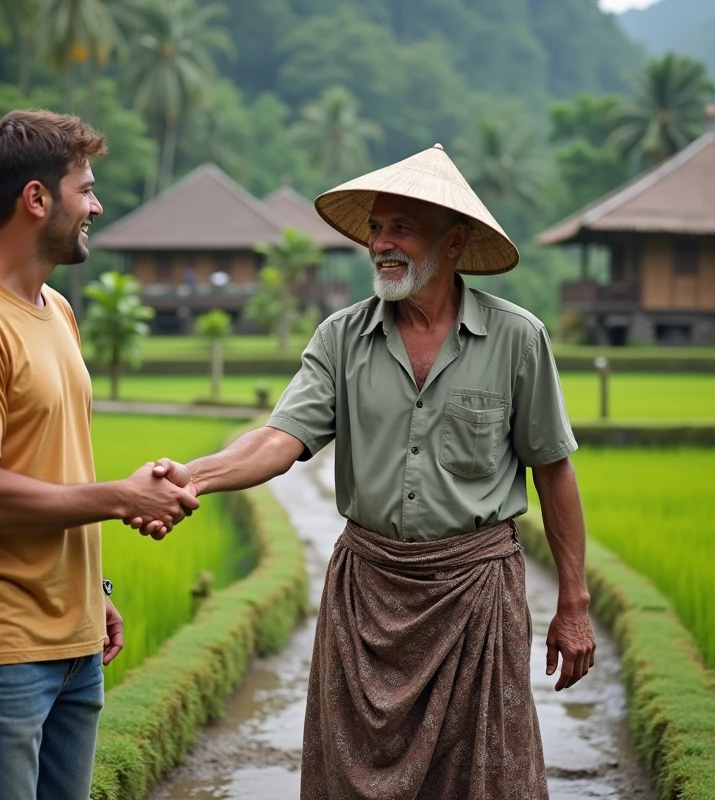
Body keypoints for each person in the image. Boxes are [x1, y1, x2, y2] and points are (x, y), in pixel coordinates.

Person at [135, 143, 595, 799]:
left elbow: (554, 471)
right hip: (368, 595)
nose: (382, 242)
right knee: (348, 777)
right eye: (377, 228)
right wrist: (195, 476)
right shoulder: (341, 338)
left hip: (475, 595)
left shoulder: (517, 338)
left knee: (482, 782)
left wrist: (573, 604)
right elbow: (279, 437)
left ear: (455, 240)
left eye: (400, 227)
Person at [0, 109, 199, 800]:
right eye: (85, 189)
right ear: (36, 199)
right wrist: (126, 496)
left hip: (71, 643)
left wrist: (91, 590)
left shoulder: (55, 310)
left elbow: (48, 463)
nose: (95, 205)